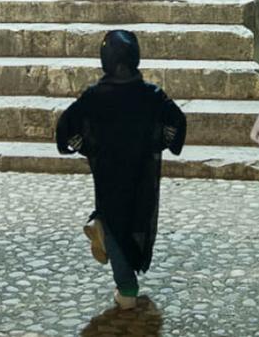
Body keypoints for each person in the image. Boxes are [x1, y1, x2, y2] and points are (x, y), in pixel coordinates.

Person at [55, 30, 187, 310]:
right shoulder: (150, 95)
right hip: (141, 171)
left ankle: (124, 282)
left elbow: (67, 126)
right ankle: (125, 281)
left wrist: (86, 147)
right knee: (136, 219)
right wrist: (160, 142)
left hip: (108, 172)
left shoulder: (94, 96)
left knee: (114, 221)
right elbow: (176, 121)